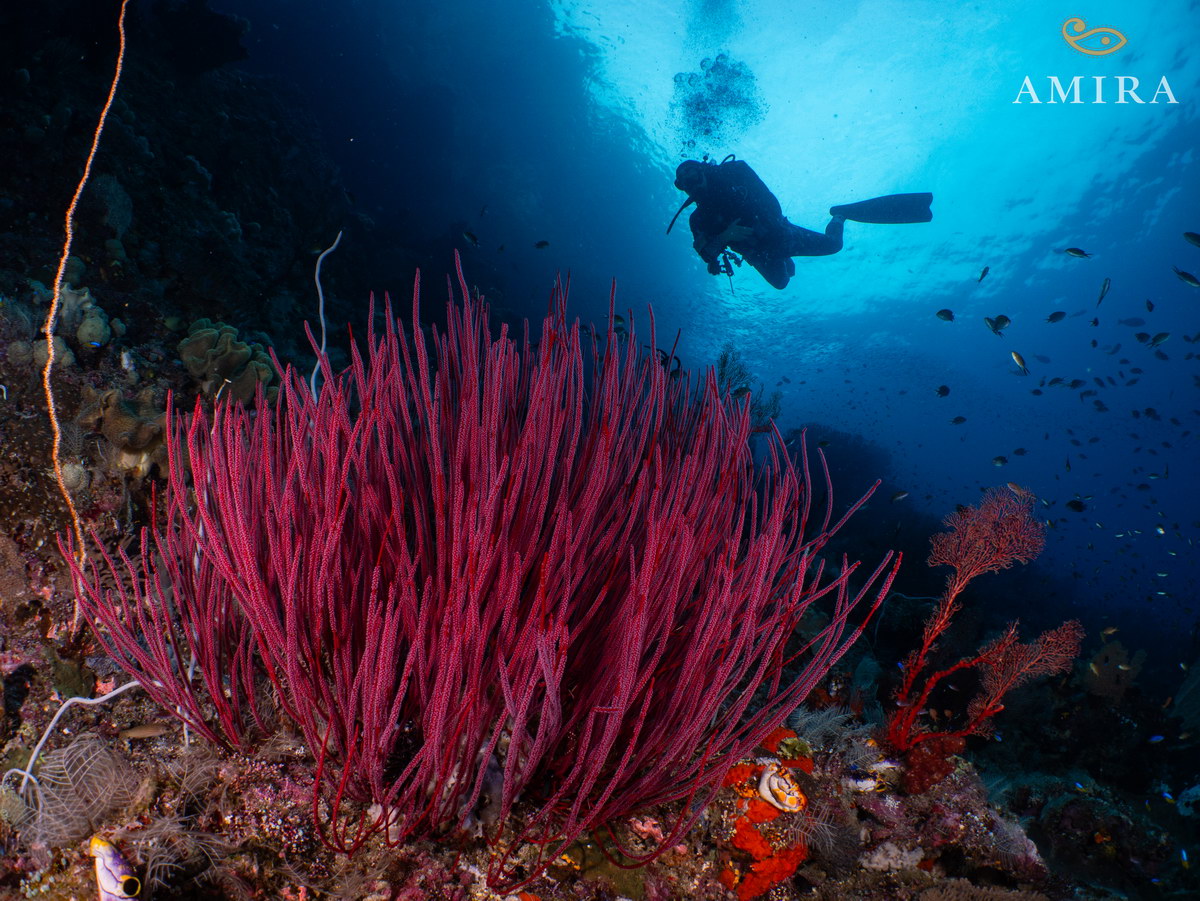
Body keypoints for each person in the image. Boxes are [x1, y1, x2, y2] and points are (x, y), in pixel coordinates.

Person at [669, 156, 933, 290]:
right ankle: (787, 262)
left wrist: (772, 228)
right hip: (758, 253)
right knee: (783, 282)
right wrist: (726, 236)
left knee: (833, 245)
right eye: (686, 183)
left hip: (782, 235)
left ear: (704, 171)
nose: (693, 185)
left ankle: (839, 215)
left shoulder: (735, 174)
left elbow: (768, 198)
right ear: (683, 188)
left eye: (694, 176)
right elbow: (705, 253)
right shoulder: (698, 218)